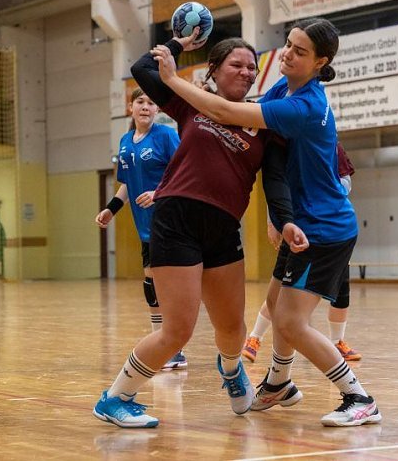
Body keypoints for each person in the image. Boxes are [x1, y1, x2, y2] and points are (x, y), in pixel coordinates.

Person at [155, 18, 381, 427]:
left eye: (300, 51)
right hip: (303, 224)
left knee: (291, 323)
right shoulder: (284, 87)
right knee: (276, 306)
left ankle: (358, 396)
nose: (288, 55)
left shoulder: (303, 105)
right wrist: (282, 217)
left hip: (324, 228)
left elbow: (224, 110)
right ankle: (278, 383)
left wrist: (173, 78)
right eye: (288, 45)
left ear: (320, 62)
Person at [93, 34, 281, 428]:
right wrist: (177, 44)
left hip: (224, 226)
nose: (247, 72)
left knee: (232, 326)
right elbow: (142, 70)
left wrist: (281, 218)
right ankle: (116, 398)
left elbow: (276, 181)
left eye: (252, 67)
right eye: (237, 65)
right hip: (176, 219)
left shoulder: (263, 120)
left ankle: (231, 371)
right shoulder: (191, 103)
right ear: (213, 69)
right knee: (177, 329)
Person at [243, 142, 361, 363]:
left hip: (330, 232)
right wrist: (272, 222)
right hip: (297, 231)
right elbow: (276, 188)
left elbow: (346, 181)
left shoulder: (330, 145)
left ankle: (338, 343)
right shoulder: (284, 145)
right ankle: (254, 338)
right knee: (280, 293)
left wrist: (323, 189)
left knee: (340, 291)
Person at [95, 88, 186, 370]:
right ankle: (164, 342)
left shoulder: (166, 136)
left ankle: (173, 347)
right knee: (151, 281)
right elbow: (127, 183)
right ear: (130, 107)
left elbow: (184, 172)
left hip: (170, 219)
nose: (146, 106)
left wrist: (158, 192)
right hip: (144, 225)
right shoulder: (125, 142)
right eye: (140, 102)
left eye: (151, 102)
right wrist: (111, 207)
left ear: (157, 110)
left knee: (162, 280)